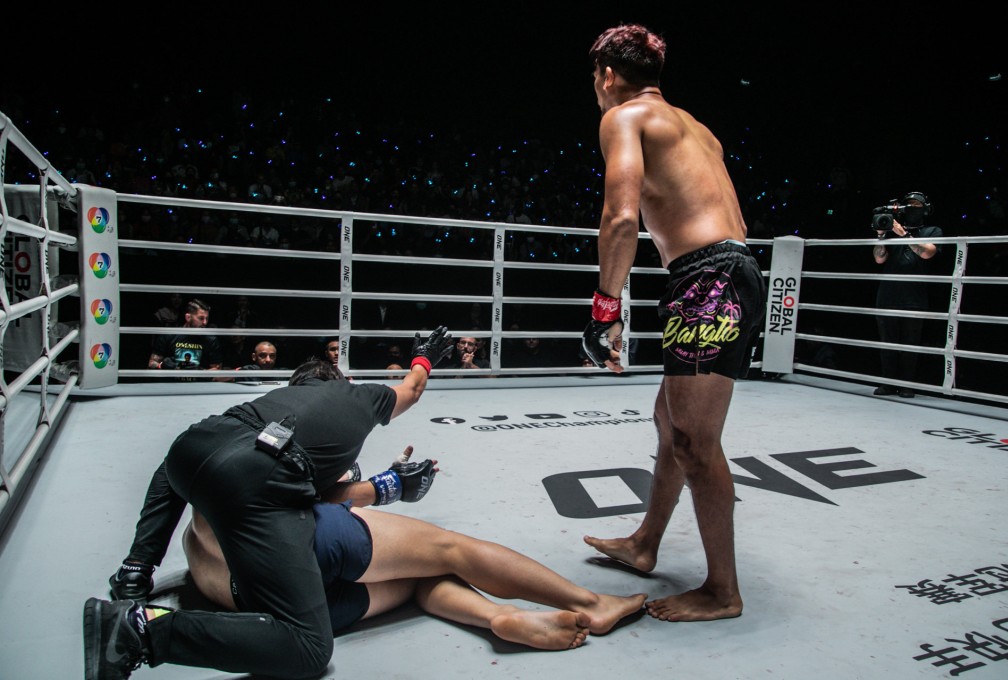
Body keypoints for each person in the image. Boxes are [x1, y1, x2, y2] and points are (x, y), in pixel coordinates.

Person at [84, 327, 454, 679]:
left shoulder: (277, 400)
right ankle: (142, 630)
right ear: (343, 381)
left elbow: (313, 493)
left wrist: (385, 485)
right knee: (308, 648)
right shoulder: (360, 395)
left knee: (178, 461)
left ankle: (136, 567)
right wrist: (424, 358)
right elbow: (413, 389)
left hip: (195, 446)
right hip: (256, 488)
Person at [580, 24, 766, 623]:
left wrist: (605, 308)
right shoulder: (696, 127)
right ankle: (644, 544)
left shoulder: (624, 117)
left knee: (692, 439)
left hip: (710, 276)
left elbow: (620, 216)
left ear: (608, 75)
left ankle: (722, 592)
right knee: (670, 423)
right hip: (720, 271)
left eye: (595, 78)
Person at [181, 466, 647, 652]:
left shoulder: (198, 524)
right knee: (450, 550)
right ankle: (591, 602)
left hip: (276, 611)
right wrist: (387, 484)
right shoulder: (289, 444)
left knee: (416, 577)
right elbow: (329, 492)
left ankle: (499, 617)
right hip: (299, 550)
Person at [871, 191, 942, 398]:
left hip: (914, 296)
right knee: (887, 342)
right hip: (887, 293)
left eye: (916, 206)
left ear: (925, 209)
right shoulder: (891, 231)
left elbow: (927, 253)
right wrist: (882, 235)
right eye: (908, 205)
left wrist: (904, 234)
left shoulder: (932, 230)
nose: (911, 209)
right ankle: (887, 382)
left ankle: (907, 385)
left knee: (910, 343)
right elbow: (879, 259)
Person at [147, 299, 223, 373]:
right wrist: (163, 366)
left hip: (199, 384)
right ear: (188, 317)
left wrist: (199, 371)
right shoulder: (169, 335)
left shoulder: (211, 339)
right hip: (171, 384)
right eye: (201, 318)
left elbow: (217, 371)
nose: (205, 322)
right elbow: (151, 363)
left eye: (207, 318)